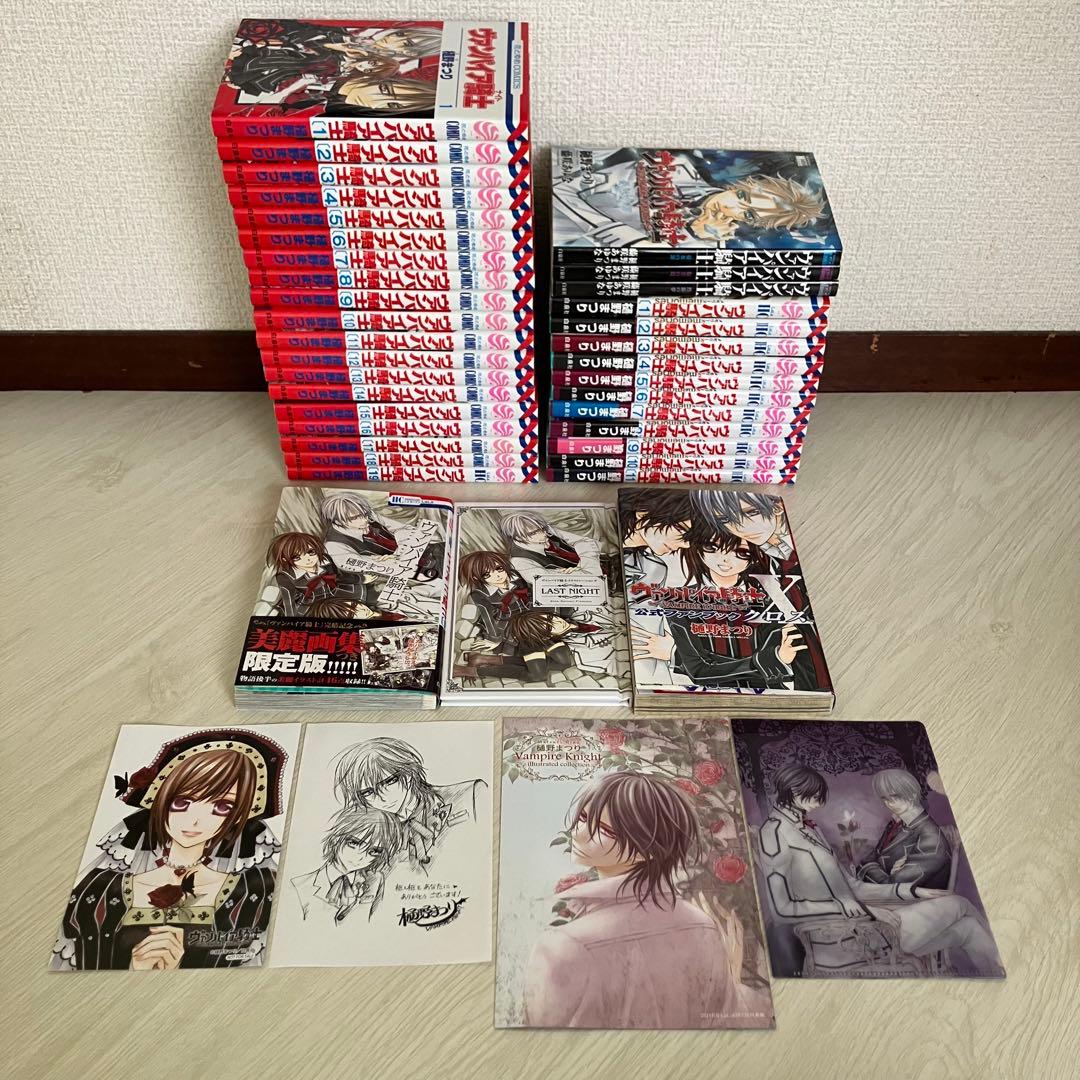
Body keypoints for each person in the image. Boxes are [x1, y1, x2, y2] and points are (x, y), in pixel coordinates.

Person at [52, 729, 287, 970]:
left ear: (239, 816)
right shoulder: (100, 891)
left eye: (222, 807)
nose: (195, 821)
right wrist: (135, 968)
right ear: (160, 800)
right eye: (182, 802)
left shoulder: (253, 894)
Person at [523, 772, 742, 1028]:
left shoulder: (563, 946)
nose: (579, 833)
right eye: (582, 818)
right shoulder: (703, 925)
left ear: (647, 849)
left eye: (604, 830)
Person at [756, 764, 1000, 977]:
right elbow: (781, 910)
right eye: (814, 796)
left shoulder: (809, 829)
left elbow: (853, 886)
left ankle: (1005, 984)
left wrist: (910, 892)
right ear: (794, 791)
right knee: (958, 903)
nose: (819, 803)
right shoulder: (773, 833)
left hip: (861, 926)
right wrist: (862, 909)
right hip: (843, 939)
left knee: (969, 928)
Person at [667, 529, 809, 689]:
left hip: (769, 694)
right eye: (712, 547)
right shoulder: (678, 600)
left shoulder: (772, 598)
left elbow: (778, 667)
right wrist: (773, 660)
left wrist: (678, 656)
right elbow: (699, 671)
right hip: (709, 695)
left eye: (740, 551)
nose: (725, 559)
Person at [334, 738, 485, 871]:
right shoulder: (368, 836)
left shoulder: (471, 795)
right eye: (367, 792)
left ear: (408, 774)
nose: (381, 797)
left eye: (388, 782)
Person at [619, 490, 695, 684]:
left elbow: (647, 634)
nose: (686, 545)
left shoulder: (654, 569)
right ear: (643, 513)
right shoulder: (589, 532)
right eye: (681, 529)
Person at [291, 807, 405, 924]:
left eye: (374, 851)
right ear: (336, 839)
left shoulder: (375, 880)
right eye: (353, 843)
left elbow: (377, 922)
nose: (360, 856)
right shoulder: (299, 886)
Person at [855, 769, 952, 890]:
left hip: (919, 900)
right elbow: (871, 858)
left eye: (894, 796)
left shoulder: (931, 838)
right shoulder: (897, 825)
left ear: (912, 794)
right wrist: (875, 868)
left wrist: (869, 868)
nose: (889, 803)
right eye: (884, 798)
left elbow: (893, 886)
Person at [260, 531, 366, 617]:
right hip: (309, 604)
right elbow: (289, 602)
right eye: (296, 557)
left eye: (311, 552)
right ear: (285, 559)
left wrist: (361, 578)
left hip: (335, 593)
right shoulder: (285, 577)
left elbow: (339, 576)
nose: (308, 559)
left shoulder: (325, 560)